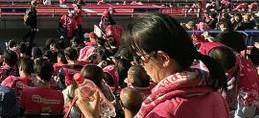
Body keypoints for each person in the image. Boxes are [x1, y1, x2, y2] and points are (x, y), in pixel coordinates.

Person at [76, 12, 228, 118]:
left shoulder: (166, 111)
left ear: (163, 58)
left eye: (141, 58)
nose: (141, 65)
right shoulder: (215, 95)